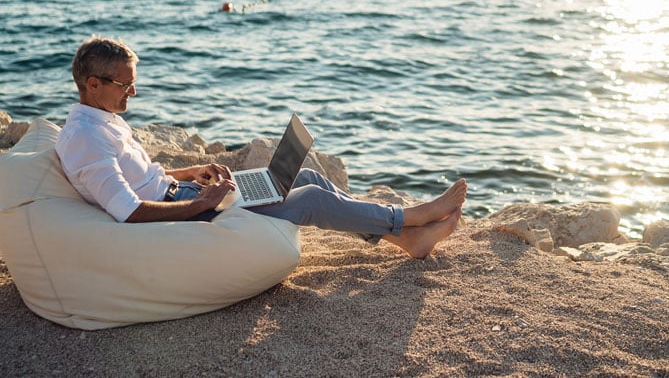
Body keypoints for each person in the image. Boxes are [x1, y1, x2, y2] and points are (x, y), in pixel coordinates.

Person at [56, 36, 466, 259]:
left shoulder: (103, 120)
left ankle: (406, 240)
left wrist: (190, 175)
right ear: (93, 84)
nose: (134, 92)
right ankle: (411, 217)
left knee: (302, 175)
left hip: (187, 195)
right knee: (310, 200)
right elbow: (129, 212)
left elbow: (143, 179)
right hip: (187, 216)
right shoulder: (86, 141)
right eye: (126, 86)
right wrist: (204, 203)